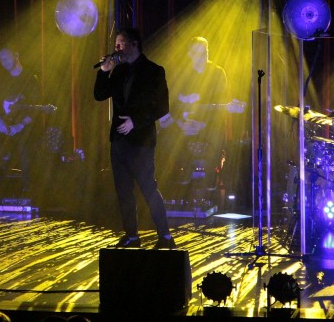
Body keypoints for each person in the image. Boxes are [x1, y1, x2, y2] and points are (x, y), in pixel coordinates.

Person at [93, 27, 176, 249]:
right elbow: (99, 95)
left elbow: (162, 107)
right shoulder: (118, 71)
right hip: (119, 140)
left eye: (120, 44)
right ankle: (131, 235)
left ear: (134, 44)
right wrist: (104, 71)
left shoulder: (154, 71)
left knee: (148, 188)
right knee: (123, 190)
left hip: (141, 140)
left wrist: (135, 122)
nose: (117, 48)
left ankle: (165, 236)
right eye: (116, 45)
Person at [158, 37, 236, 209]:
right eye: (197, 53)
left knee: (215, 135)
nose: (201, 57)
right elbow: (172, 103)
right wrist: (181, 124)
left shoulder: (217, 73)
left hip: (208, 125)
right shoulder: (181, 75)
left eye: (204, 52)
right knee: (167, 137)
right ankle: (177, 175)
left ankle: (211, 174)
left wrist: (203, 125)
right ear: (189, 54)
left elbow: (221, 104)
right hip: (184, 124)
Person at [0, 48, 42, 195]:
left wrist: (19, 126)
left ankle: (28, 190)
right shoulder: (2, 81)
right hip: (6, 126)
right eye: (1, 59)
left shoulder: (30, 79)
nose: (4, 62)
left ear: (16, 55)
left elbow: (35, 109)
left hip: (24, 127)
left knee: (26, 144)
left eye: (6, 58)